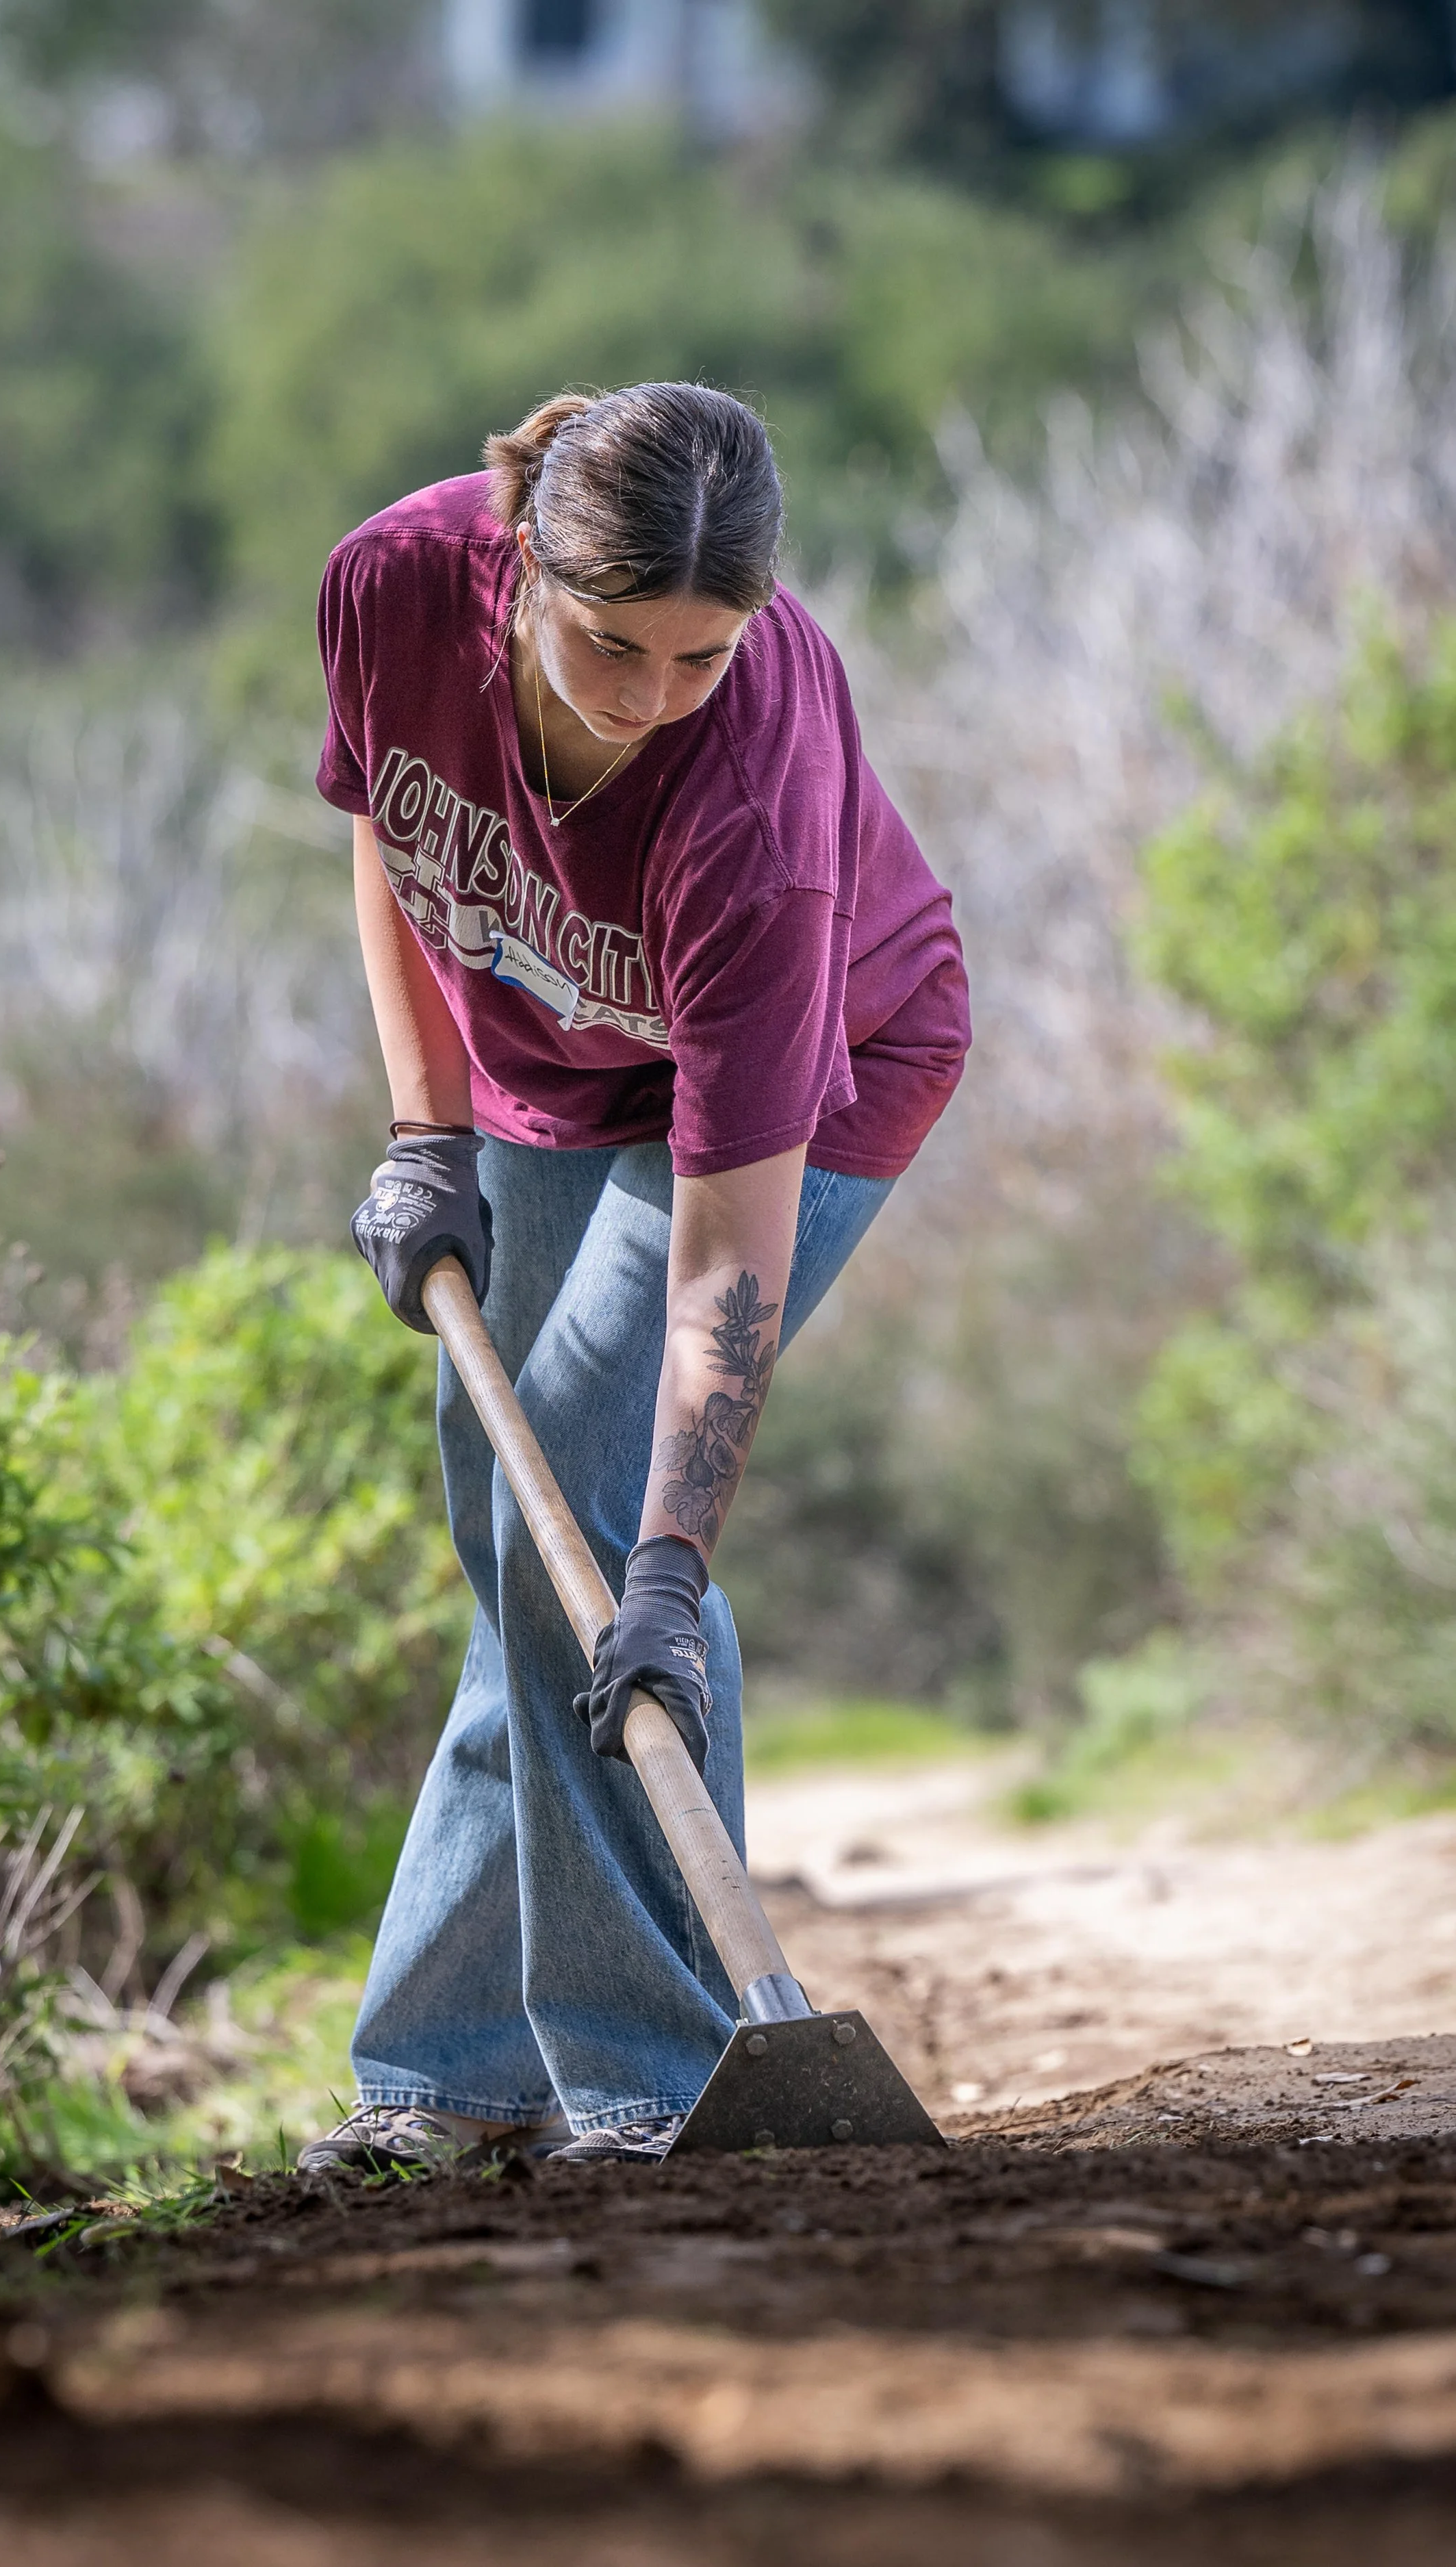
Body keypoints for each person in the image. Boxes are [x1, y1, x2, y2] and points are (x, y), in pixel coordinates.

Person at [300, 383, 969, 2171]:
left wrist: (671, 1567)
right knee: (521, 1547)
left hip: (803, 1092)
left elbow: (724, 1265)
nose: (646, 695)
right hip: (535, 1069)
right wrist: (421, 1132)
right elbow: (393, 822)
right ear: (517, 558)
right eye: (611, 644)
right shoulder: (386, 581)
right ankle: (450, 2074)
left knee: (589, 1542)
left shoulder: (746, 800)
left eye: (696, 654)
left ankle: (649, 2067)